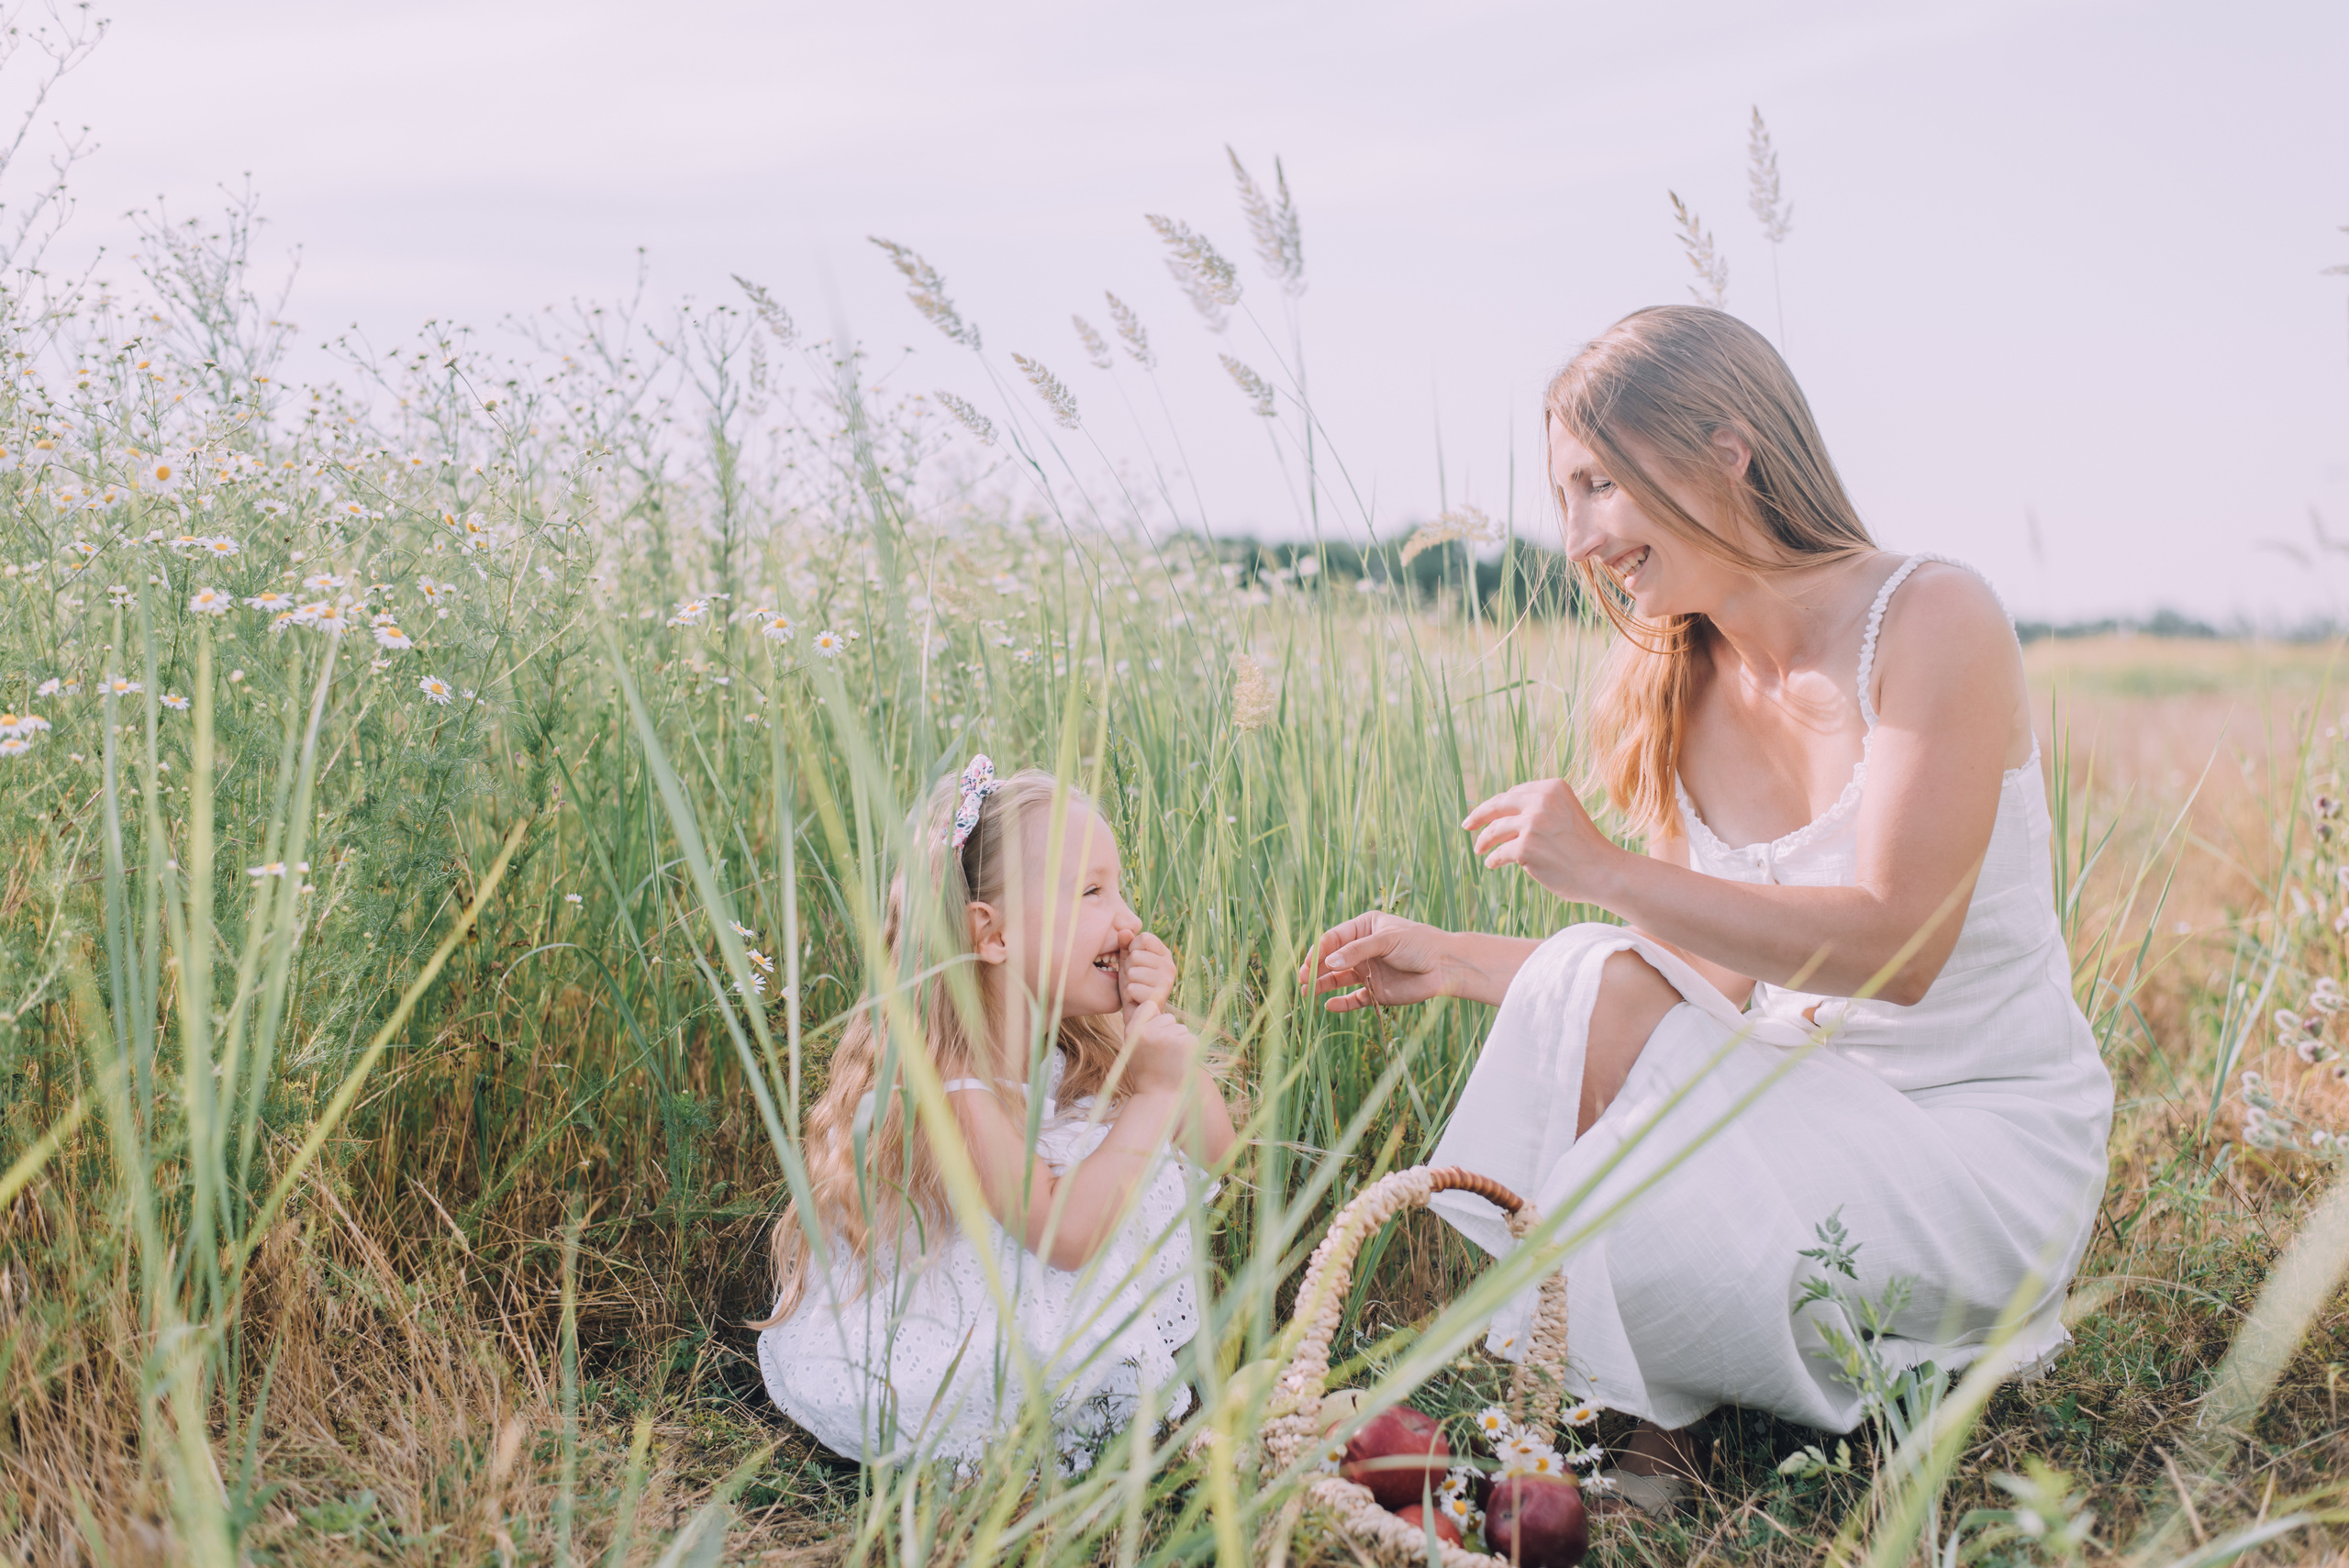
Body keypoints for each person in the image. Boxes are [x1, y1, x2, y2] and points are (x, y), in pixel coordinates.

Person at [1302, 306, 2112, 1513]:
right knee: (1595, 988)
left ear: (1728, 447)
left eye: (1599, 485)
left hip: (1974, 1146)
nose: (1577, 536)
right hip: (1811, 1111)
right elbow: (1690, 973)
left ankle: (1635, 1418)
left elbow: (1899, 950)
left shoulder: (1934, 617)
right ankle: (1648, 1429)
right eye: (1563, 497)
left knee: (1601, 1000)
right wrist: (1459, 959)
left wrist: (1606, 871)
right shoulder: (1681, 684)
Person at [756, 758, 1235, 1470]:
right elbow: (1066, 1236)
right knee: (1113, 1146)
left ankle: (1098, 1404)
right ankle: (1043, 1426)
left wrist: (1149, 1028)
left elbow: (1215, 1146)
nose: (1129, 920)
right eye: (1092, 892)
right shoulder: (955, 1089)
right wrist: (1156, 1095)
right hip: (955, 1342)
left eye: (1119, 888)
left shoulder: (1061, 1058)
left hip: (1028, 1308)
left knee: (1115, 1140)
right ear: (994, 933)